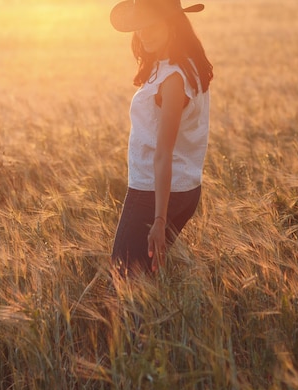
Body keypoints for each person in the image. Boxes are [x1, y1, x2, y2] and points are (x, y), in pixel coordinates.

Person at [110, 0, 213, 276]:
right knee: (144, 277)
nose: (144, 33)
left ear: (172, 22)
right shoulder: (184, 65)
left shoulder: (172, 79)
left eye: (152, 24)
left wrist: (159, 218)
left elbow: (163, 152)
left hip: (153, 192)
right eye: (140, 26)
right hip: (183, 188)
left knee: (125, 277)